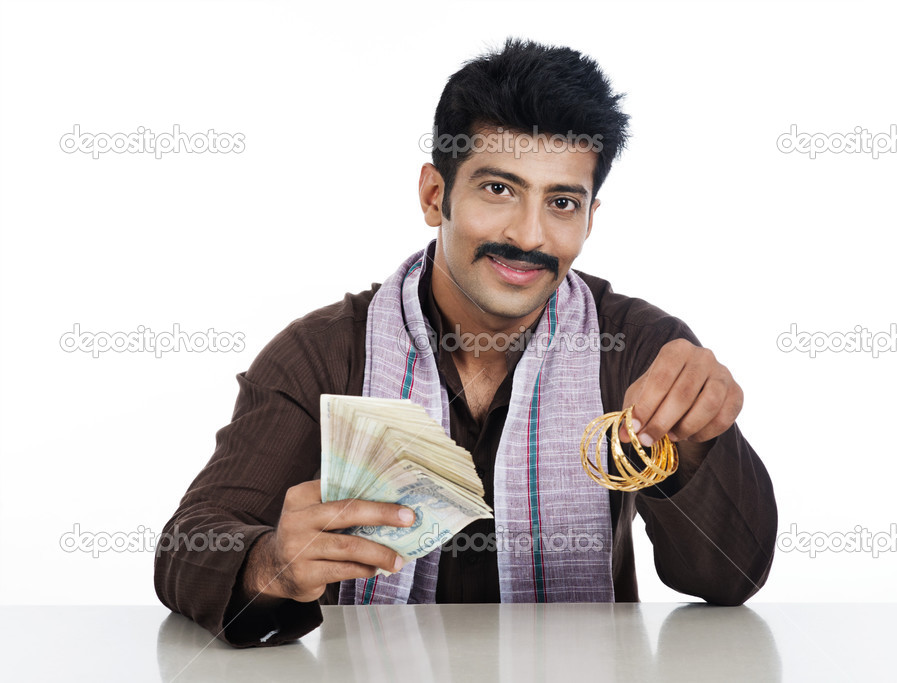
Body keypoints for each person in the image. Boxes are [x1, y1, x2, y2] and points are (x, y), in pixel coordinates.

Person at [154, 36, 778, 648]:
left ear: (589, 218)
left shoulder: (642, 349)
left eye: (562, 201)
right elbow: (188, 544)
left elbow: (732, 577)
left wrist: (698, 442)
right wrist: (267, 562)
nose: (530, 235)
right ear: (434, 195)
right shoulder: (323, 353)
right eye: (498, 189)